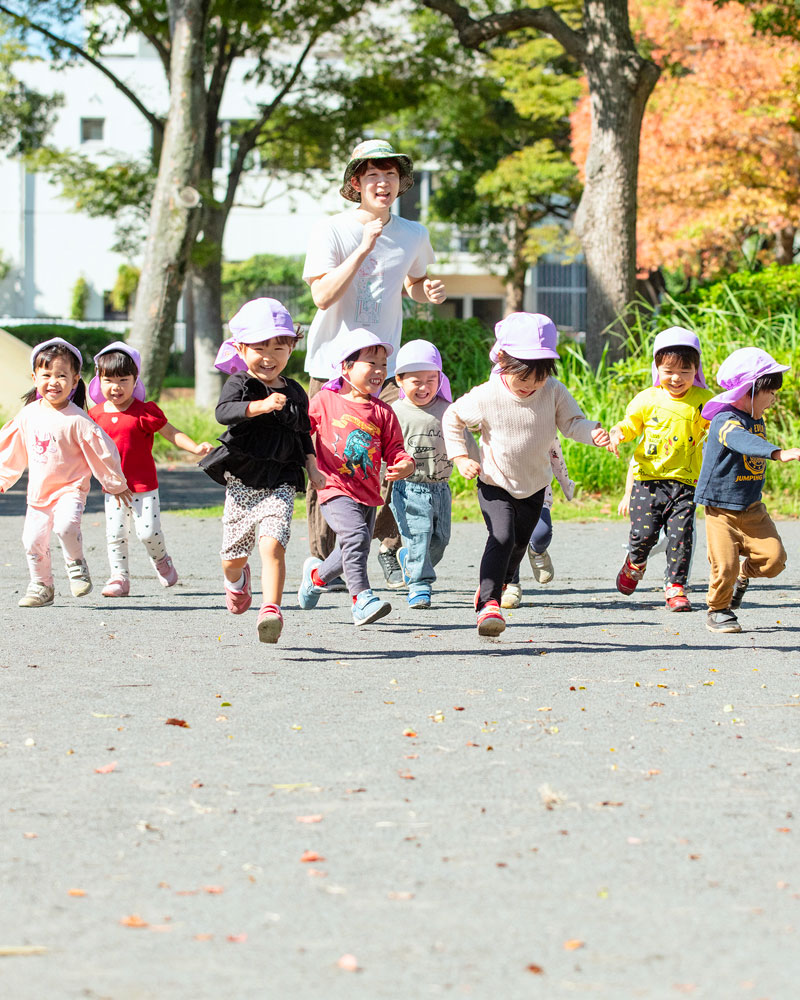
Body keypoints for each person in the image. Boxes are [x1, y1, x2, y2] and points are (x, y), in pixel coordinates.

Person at [302, 138, 446, 589]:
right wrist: (363, 249)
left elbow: (414, 282)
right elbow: (322, 296)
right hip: (332, 366)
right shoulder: (333, 231)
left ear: (401, 183)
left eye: (390, 175)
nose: (382, 183)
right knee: (328, 463)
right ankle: (327, 559)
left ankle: (385, 544)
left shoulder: (413, 233)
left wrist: (428, 292)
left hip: (385, 369)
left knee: (398, 457)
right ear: (356, 183)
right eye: (371, 176)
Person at [442, 313, 611, 637]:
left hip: (535, 484)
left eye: (539, 376)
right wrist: (461, 457)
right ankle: (489, 604)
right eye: (523, 377)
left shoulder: (553, 391)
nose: (530, 385)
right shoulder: (487, 395)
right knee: (502, 537)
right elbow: (453, 417)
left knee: (520, 543)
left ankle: (495, 584)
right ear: (502, 360)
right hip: (495, 481)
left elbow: (572, 423)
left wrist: (593, 433)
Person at [200, 298, 325, 644]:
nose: (269, 356)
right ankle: (236, 581)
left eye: (279, 347)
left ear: (291, 349)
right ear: (241, 348)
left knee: (273, 545)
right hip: (242, 479)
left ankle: (271, 609)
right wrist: (261, 406)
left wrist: (312, 466)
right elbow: (224, 413)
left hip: (280, 479)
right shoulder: (240, 383)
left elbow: (303, 432)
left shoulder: (296, 391)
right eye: (259, 347)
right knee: (233, 558)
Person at [0, 337, 132, 607]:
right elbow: (11, 447)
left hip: (71, 489)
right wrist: (3, 478)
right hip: (39, 494)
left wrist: (116, 484)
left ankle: (76, 564)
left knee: (66, 526)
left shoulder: (78, 420)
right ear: (34, 378)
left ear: (75, 381)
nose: (53, 382)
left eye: (61, 376)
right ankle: (41, 585)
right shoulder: (28, 415)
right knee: (32, 540)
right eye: (46, 375)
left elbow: (103, 452)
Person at [297, 329, 416, 626]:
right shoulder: (324, 401)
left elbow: (396, 450)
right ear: (346, 367)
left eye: (383, 365)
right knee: (356, 538)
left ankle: (316, 578)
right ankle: (361, 599)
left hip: (367, 492)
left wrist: (405, 464)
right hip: (333, 487)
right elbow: (299, 433)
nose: (379, 371)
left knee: (351, 547)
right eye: (370, 363)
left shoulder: (383, 412)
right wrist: (305, 464)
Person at [88, 342, 214, 597]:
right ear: (99, 381)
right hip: (113, 488)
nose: (116, 387)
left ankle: (161, 559)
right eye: (109, 380)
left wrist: (194, 448)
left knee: (147, 532)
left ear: (135, 381)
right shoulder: (94, 416)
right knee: (116, 533)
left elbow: (171, 433)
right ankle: (119, 578)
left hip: (143, 486)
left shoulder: (144, 412)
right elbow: (83, 448)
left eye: (123, 379)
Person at [694, 347, 800, 634]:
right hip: (721, 509)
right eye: (770, 391)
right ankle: (718, 610)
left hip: (752, 508)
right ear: (748, 390)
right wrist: (777, 453)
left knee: (775, 561)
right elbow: (739, 440)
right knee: (723, 565)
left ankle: (743, 576)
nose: (773, 398)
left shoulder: (756, 418)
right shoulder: (724, 421)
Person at [608, 328, 713, 612]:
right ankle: (636, 561)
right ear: (657, 368)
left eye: (685, 371)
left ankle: (676, 587)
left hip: (687, 482)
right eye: (669, 370)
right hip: (648, 481)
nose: (677, 378)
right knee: (644, 535)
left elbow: (716, 428)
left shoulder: (705, 400)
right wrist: (618, 432)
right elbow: (631, 425)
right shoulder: (647, 398)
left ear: (696, 369)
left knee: (681, 536)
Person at [389, 339, 458, 609]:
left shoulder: (447, 410)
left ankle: (411, 559)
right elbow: (386, 447)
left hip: (441, 486)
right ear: (400, 380)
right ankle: (419, 585)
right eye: (416, 381)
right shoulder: (395, 412)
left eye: (431, 379)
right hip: (409, 487)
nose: (424, 387)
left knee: (440, 540)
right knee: (419, 534)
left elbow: (462, 439)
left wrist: (474, 460)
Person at [501, 438, 574, 609]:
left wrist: (566, 485)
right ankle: (511, 585)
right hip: (505, 492)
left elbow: (557, 458)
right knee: (509, 539)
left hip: (538, 493)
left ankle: (537, 551)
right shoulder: (497, 421)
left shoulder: (543, 426)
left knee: (542, 533)